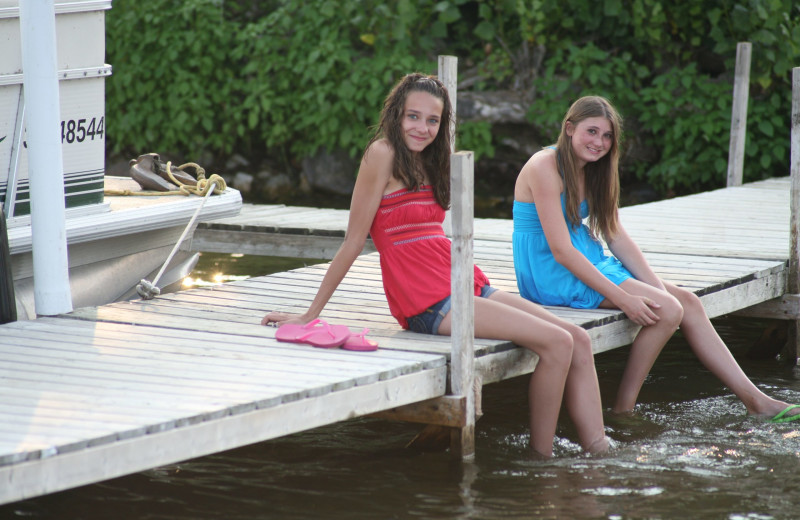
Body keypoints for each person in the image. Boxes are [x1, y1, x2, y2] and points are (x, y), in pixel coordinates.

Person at [262, 73, 611, 457]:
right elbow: (352, 241)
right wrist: (310, 314)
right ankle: (541, 459)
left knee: (578, 339)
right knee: (558, 342)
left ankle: (600, 450)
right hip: (425, 300)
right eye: (413, 117)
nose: (422, 128)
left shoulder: (433, 158)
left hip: (461, 281)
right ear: (396, 115)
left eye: (433, 120)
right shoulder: (381, 154)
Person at [512, 95, 800, 423]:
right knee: (668, 311)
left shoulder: (595, 170)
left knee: (686, 302)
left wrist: (652, 285)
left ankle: (756, 400)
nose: (599, 143)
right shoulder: (544, 166)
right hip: (551, 269)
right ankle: (623, 408)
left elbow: (614, 234)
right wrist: (625, 298)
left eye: (607, 136)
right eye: (591, 132)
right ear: (568, 128)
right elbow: (561, 251)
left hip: (588, 258)